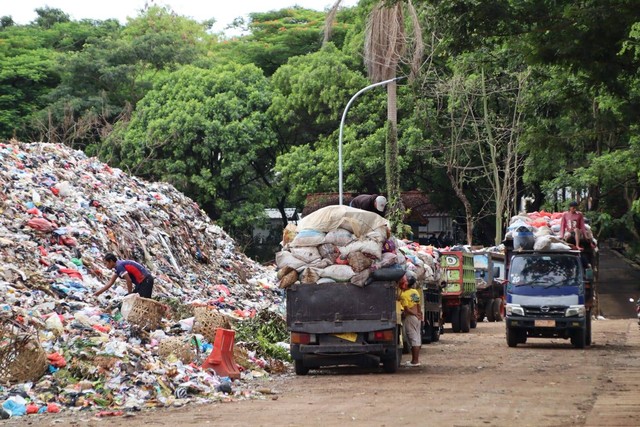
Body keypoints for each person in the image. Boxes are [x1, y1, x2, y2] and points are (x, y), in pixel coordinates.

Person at [399, 273, 423, 367]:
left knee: (413, 339)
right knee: (416, 337)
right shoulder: (415, 292)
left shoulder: (404, 295)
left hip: (410, 317)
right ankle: (415, 360)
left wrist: (414, 314)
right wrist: (419, 314)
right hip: (417, 318)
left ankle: (415, 361)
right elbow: (418, 304)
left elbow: (407, 309)